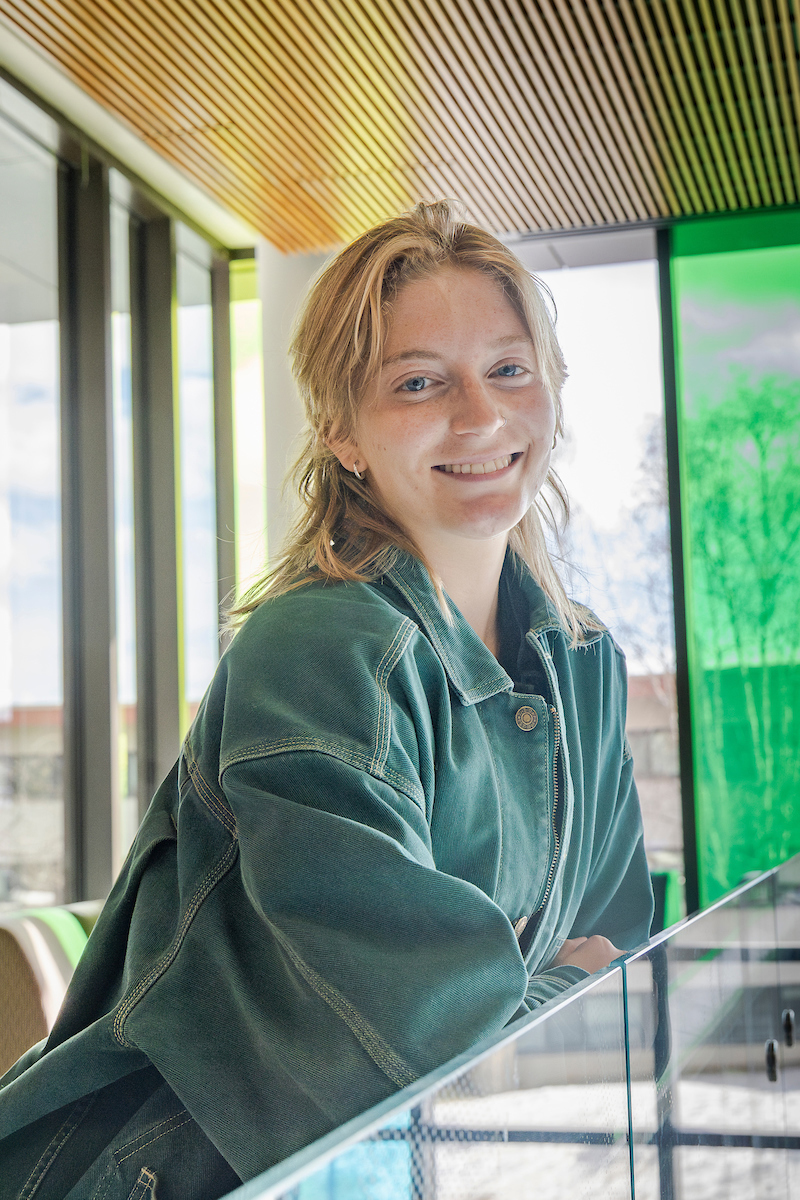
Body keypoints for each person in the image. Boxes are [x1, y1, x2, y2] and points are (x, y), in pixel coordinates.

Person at [0, 200, 653, 1198]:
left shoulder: (580, 659)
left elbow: (620, 940)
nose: (479, 415)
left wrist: (534, 995)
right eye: (418, 383)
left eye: (507, 369)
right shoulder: (316, 648)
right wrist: (559, 985)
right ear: (342, 432)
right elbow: (408, 1033)